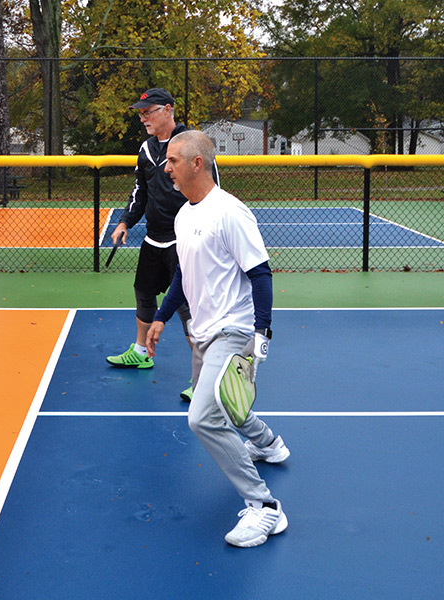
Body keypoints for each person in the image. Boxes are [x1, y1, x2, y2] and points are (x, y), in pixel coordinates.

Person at [146, 130, 290, 548]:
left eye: (173, 160)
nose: (166, 167)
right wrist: (160, 317)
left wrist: (262, 332)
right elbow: (182, 276)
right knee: (227, 401)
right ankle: (269, 444)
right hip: (204, 332)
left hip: (234, 329)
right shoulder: (184, 214)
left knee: (203, 416)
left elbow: (260, 273)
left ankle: (265, 508)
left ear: (196, 163)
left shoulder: (231, 212)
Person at [105, 88, 218, 402]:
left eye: (148, 111)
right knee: (143, 291)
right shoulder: (146, 148)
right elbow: (140, 191)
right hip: (153, 238)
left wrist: (204, 235)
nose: (143, 118)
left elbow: (212, 190)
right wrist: (126, 220)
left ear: (168, 110)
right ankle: (141, 351)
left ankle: (204, 378)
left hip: (185, 241)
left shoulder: (193, 144)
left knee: (185, 307)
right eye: (140, 113)